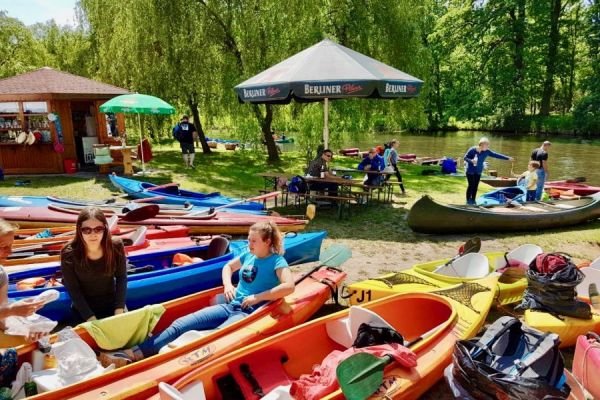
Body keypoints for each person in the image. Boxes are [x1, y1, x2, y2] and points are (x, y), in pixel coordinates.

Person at [99, 221, 294, 366]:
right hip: (229, 306)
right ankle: (134, 354)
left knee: (212, 339)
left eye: (253, 240)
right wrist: (227, 285)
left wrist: (258, 297)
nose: (249, 243)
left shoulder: (277, 262)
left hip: (248, 313)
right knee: (181, 324)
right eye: (249, 239)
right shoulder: (249, 255)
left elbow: (289, 286)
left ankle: (157, 365)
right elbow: (228, 266)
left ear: (267, 241)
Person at [60, 207, 127, 323]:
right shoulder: (68, 253)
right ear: (79, 230)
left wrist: (118, 311)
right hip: (84, 311)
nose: (93, 234)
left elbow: (121, 278)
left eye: (98, 229)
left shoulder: (116, 246)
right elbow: (73, 289)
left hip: (113, 306)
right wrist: (91, 320)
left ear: (105, 229)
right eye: (87, 230)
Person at [0, 220, 46, 346]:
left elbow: (2, 318)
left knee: (33, 342)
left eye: (11, 246)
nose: (10, 252)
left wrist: (26, 330)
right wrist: (11, 310)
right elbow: (5, 310)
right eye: (3, 247)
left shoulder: (1, 274)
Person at [464, 138, 514, 205]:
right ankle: (468, 200)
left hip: (478, 171)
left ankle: (473, 200)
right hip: (470, 171)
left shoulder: (487, 151)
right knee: (471, 185)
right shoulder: (472, 150)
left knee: (475, 186)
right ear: (481, 145)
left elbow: (496, 155)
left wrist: (508, 158)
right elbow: (465, 158)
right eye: (487, 145)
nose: (488, 147)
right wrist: (471, 161)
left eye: (488, 145)